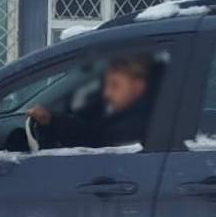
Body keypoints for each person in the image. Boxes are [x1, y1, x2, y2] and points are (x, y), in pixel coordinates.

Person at [26, 54, 155, 150]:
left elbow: (95, 141)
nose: (107, 93)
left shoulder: (139, 123)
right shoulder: (117, 110)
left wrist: (53, 122)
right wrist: (51, 120)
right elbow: (90, 129)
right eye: (106, 85)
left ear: (139, 86)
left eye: (115, 85)